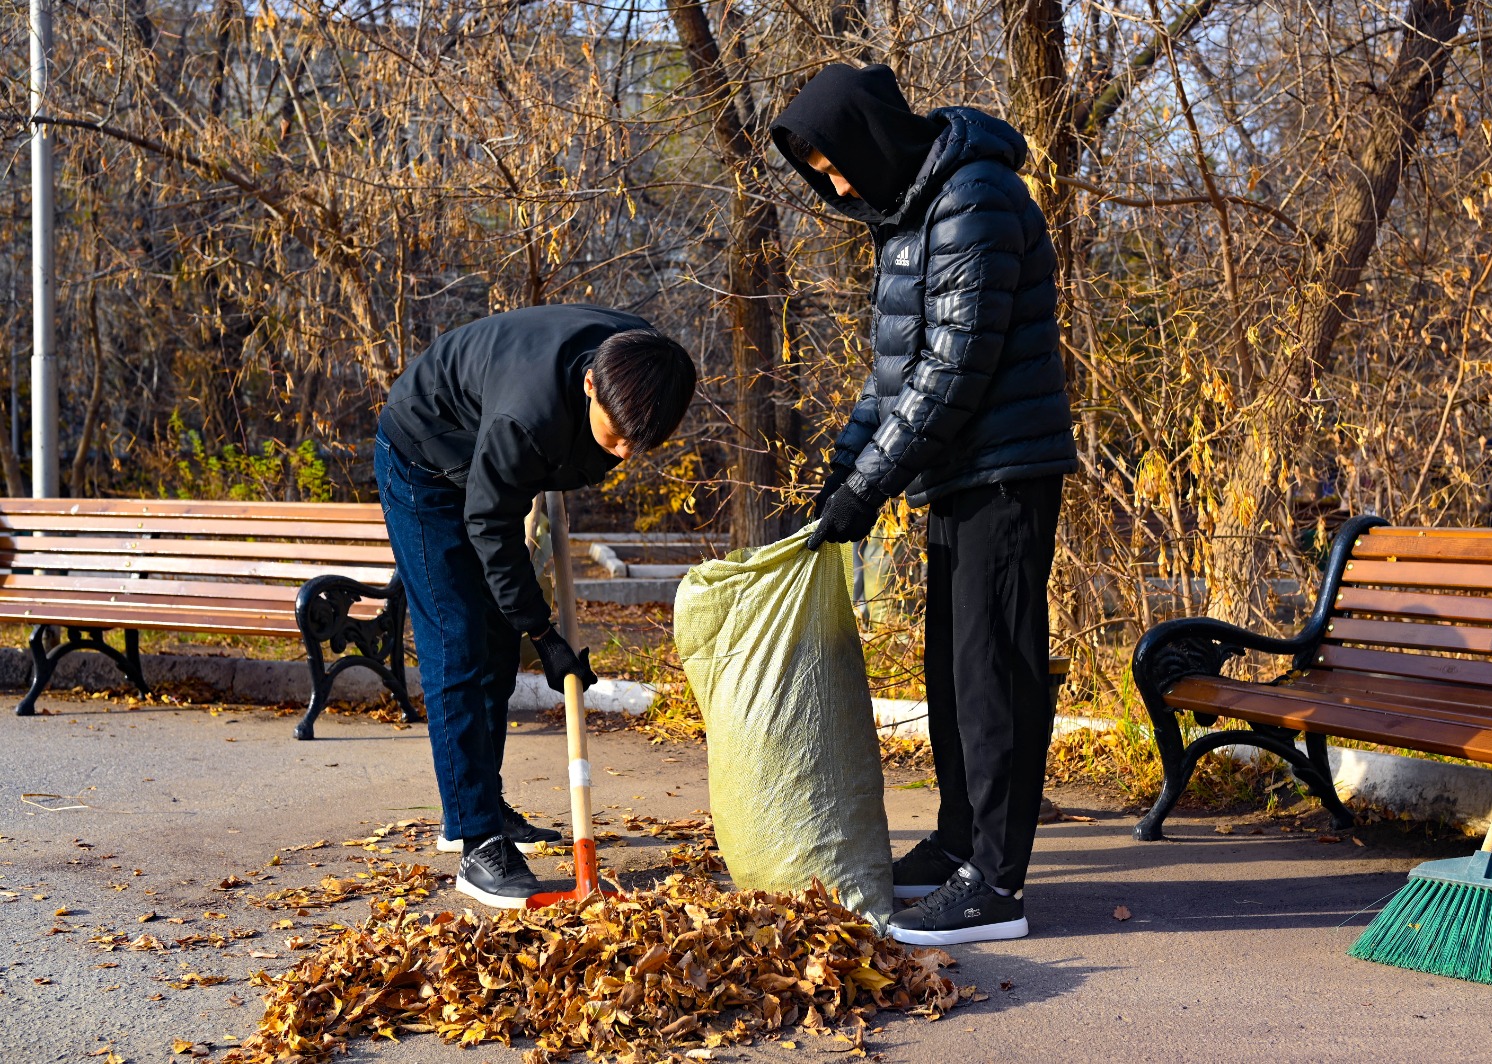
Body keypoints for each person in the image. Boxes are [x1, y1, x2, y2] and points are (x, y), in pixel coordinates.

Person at [772, 65, 1076, 945]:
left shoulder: (975, 197)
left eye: (837, 166)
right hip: (957, 473)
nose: (836, 187)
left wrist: (871, 487)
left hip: (1005, 471)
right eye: (823, 175)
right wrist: (843, 473)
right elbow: (892, 377)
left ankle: (996, 884)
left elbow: (954, 367)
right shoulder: (911, 214)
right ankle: (957, 843)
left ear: (870, 138)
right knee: (952, 669)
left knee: (994, 676)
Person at [375, 305, 696, 908]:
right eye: (616, 436)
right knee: (457, 643)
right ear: (589, 383)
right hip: (425, 458)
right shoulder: (528, 417)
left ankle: (479, 803)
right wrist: (542, 633)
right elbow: (490, 524)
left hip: (488, 454)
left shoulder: (645, 361)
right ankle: (476, 841)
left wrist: (522, 626)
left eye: (641, 441)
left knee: (498, 643)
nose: (627, 453)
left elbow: (515, 491)